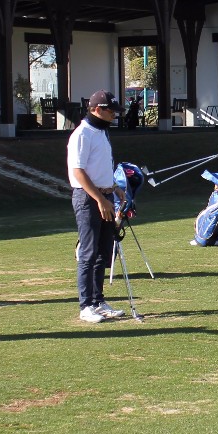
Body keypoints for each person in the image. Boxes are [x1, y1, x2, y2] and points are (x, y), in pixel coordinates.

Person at [67, 90, 128, 323]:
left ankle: (98, 301)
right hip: (87, 198)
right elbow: (79, 172)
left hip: (106, 195)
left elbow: (99, 167)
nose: (114, 115)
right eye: (111, 111)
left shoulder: (102, 133)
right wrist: (100, 199)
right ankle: (86, 305)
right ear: (97, 109)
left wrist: (114, 187)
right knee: (88, 252)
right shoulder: (82, 134)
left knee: (104, 252)